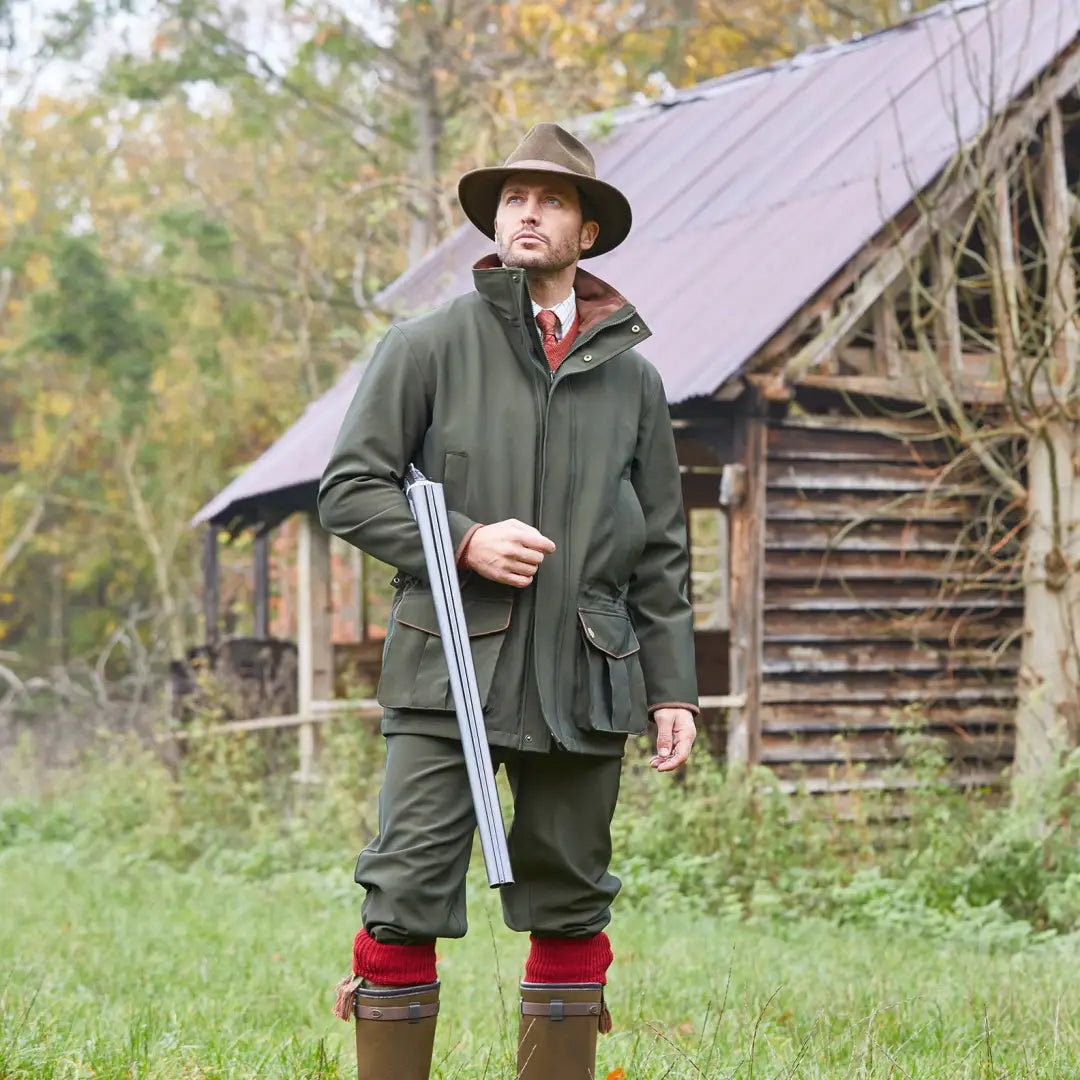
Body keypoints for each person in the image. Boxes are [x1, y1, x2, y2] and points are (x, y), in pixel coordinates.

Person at [319, 122, 699, 1080]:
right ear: (496, 221)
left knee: (572, 896)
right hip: (448, 662)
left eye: (554, 200)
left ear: (588, 230)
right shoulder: (427, 347)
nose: (530, 213)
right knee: (404, 889)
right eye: (515, 199)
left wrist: (674, 690)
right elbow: (350, 490)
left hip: (586, 669)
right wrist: (462, 542)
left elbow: (660, 550)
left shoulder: (635, 381)